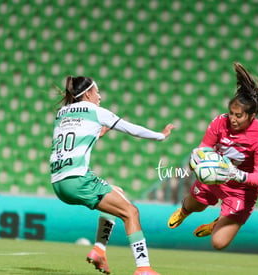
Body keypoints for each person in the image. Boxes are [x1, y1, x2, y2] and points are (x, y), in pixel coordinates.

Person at [50, 76, 174, 275]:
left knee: (117, 192)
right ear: (88, 94)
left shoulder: (61, 113)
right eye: (97, 92)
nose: (99, 96)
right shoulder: (95, 111)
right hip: (78, 179)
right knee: (131, 212)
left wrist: (96, 134)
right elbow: (131, 129)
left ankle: (99, 250)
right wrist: (161, 135)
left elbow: (72, 135)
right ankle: (143, 268)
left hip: (58, 182)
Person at [167, 62, 258, 250]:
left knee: (219, 243)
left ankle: (217, 223)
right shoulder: (219, 122)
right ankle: (183, 211)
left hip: (241, 190)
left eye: (238, 116)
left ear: (252, 116)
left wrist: (236, 174)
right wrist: (197, 157)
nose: (232, 118)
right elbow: (205, 147)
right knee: (194, 206)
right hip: (214, 176)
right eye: (231, 113)